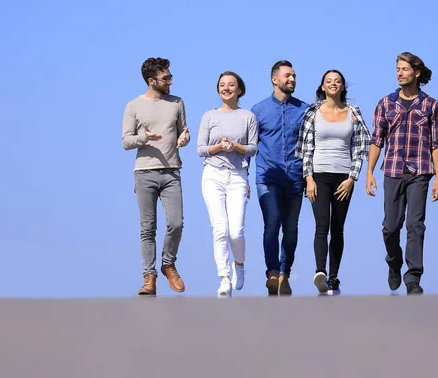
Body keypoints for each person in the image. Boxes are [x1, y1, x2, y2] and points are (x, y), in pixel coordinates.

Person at [365, 52, 438, 295]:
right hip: (392, 170)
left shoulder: (431, 105)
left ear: (416, 73)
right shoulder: (385, 104)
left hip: (420, 171)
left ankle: (413, 278)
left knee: (415, 224)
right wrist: (369, 172)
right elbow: (377, 140)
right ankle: (394, 262)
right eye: (397, 69)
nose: (399, 73)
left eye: (404, 69)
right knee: (390, 226)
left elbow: (436, 144)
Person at [295, 70, 371, 294]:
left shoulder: (353, 112)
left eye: (337, 81)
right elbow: (304, 148)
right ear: (322, 86)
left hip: (343, 176)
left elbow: (362, 146)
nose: (333, 84)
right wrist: (308, 178)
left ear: (343, 86)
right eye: (329, 81)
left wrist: (352, 178)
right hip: (318, 175)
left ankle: (334, 277)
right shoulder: (313, 112)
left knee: (338, 227)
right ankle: (321, 272)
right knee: (322, 224)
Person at [121, 57, 190, 296]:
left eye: (170, 77)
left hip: (172, 171)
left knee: (176, 223)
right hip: (144, 172)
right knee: (147, 228)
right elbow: (125, 141)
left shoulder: (177, 102)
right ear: (152, 81)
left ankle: (168, 263)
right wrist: (144, 138)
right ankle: (149, 277)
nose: (170, 81)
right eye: (166, 78)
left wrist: (184, 139)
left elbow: (184, 132)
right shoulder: (133, 105)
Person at [249, 60, 309, 296]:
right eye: (287, 76)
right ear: (275, 80)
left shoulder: (305, 109)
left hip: (295, 177)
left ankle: (285, 273)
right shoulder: (258, 111)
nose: (292, 79)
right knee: (272, 222)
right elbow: (250, 147)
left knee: (291, 228)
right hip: (268, 177)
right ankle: (272, 272)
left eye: (294, 76)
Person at [197, 71, 258, 298]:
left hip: (237, 175)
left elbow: (253, 148)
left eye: (231, 85)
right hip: (213, 174)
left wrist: (236, 146)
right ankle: (223, 278)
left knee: (236, 231)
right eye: (222, 85)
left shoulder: (248, 116)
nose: (226, 88)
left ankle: (239, 265)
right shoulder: (209, 116)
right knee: (219, 228)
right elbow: (201, 149)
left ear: (239, 90)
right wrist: (220, 147)